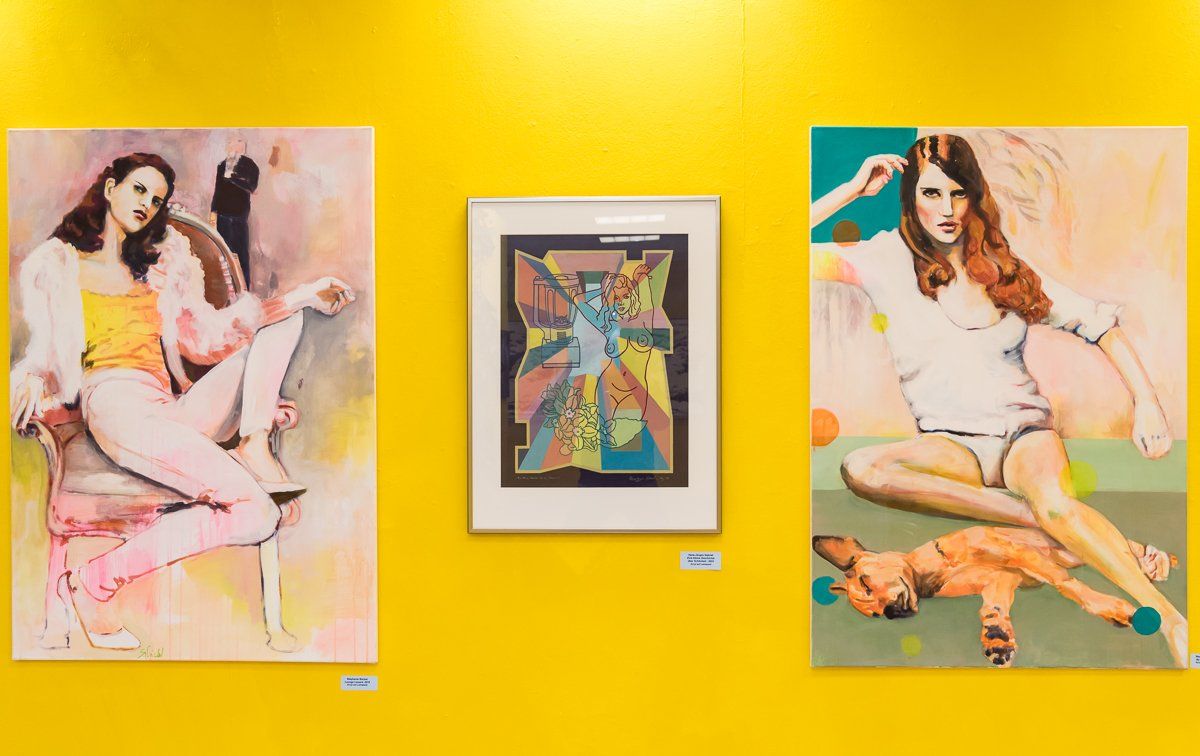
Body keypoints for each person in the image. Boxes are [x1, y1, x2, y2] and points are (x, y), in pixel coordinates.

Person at [810, 134, 1187, 666]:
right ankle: (1052, 522)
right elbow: (774, 250)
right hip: (950, 446)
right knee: (861, 467)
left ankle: (1171, 620)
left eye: (958, 193)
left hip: (1023, 437)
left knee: (1055, 503)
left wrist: (1147, 402)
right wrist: (851, 191)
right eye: (931, 193)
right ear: (911, 198)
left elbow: (1100, 325)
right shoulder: (880, 260)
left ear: (975, 196)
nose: (947, 210)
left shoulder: (1001, 266)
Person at [9, 153, 354, 649]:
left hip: (173, 408)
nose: (147, 205)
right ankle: (94, 584)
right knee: (258, 513)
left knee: (285, 320)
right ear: (110, 188)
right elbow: (44, 354)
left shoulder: (163, 266)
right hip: (116, 405)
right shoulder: (60, 266)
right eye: (138, 190)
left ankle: (253, 443)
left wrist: (303, 296)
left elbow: (207, 341)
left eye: (156, 199)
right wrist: (26, 379)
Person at [209, 136, 259, 287]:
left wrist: (233, 177)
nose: (234, 148)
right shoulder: (222, 165)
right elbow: (217, 191)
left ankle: (244, 289)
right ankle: (227, 289)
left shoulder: (250, 166)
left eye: (238, 144)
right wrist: (213, 213)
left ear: (243, 148)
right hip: (222, 217)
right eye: (231, 144)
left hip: (239, 217)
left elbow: (252, 188)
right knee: (223, 254)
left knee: (241, 255)